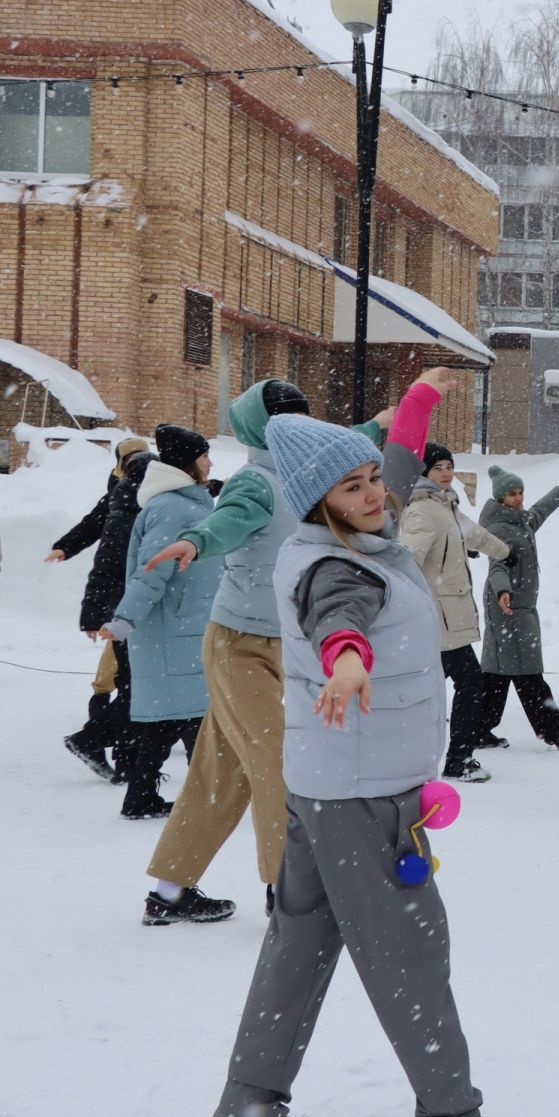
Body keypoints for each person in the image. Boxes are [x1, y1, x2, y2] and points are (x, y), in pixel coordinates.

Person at [208, 371, 514, 1117]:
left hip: (326, 789)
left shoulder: (356, 531)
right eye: (356, 485)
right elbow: (336, 618)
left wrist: (417, 403)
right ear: (320, 501)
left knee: (298, 948)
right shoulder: (334, 567)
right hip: (365, 796)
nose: (377, 492)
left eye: (373, 476)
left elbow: (402, 470)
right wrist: (346, 662)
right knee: (409, 952)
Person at [137, 380, 391, 926]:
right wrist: (197, 541)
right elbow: (227, 521)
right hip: (240, 646)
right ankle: (289, 890)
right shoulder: (257, 481)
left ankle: (170, 890)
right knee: (281, 761)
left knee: (220, 771)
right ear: (258, 428)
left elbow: (349, 443)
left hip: (289, 641)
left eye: (300, 416)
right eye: (281, 419)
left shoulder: (312, 476)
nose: (292, 427)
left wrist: (384, 421)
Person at [103, 425, 219, 822]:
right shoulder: (172, 508)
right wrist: (124, 619)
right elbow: (152, 571)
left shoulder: (186, 502)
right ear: (189, 462)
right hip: (175, 629)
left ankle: (143, 796)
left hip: (182, 627)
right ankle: (210, 798)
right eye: (205, 456)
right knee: (196, 720)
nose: (210, 462)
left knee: (171, 719)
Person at [400, 441, 511, 783]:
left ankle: (444, 757)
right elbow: (407, 561)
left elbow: (474, 534)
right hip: (437, 620)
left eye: (449, 466)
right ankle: (456, 760)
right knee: (468, 684)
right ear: (423, 473)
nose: (446, 473)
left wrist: (504, 552)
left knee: (433, 690)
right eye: (438, 468)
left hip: (448, 619)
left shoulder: (445, 505)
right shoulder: (422, 511)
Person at [49, 436, 149, 781]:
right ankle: (97, 739)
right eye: (132, 458)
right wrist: (65, 547)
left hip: (131, 601)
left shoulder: (153, 489)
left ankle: (124, 759)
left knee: (130, 679)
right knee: (126, 680)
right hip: (126, 603)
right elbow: (97, 536)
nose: (139, 463)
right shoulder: (121, 493)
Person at [476, 464, 559, 751]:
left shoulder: (520, 521)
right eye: (512, 494)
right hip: (507, 606)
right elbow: (497, 565)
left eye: (520, 493)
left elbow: (538, 513)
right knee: (527, 673)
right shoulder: (499, 529)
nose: (518, 499)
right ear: (499, 498)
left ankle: (479, 728)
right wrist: (503, 590)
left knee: (498, 672)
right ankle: (557, 734)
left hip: (519, 606)